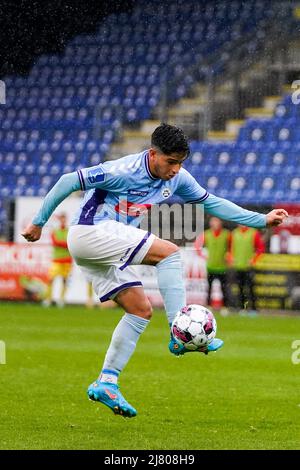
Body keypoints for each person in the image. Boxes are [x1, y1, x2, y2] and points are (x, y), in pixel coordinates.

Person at [22, 123, 288, 418]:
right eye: (170, 162)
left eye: (180, 163)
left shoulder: (177, 178)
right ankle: (179, 330)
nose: (175, 169)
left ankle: (107, 382)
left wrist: (261, 220)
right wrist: (38, 222)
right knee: (170, 254)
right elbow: (68, 180)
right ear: (153, 154)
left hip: (101, 246)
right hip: (90, 232)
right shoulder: (122, 170)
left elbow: (212, 203)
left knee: (140, 310)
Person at [194, 217, 231, 313]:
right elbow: (197, 246)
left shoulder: (226, 234)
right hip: (211, 266)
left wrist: (229, 255)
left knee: (224, 288)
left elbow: (231, 247)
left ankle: (225, 307)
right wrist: (203, 256)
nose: (215, 224)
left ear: (220, 223)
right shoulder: (207, 234)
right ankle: (208, 306)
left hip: (222, 266)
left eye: (216, 222)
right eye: (213, 222)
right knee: (209, 288)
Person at [229, 224, 265, 314]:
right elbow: (230, 249)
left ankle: (253, 308)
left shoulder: (253, 233)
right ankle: (242, 308)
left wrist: (254, 259)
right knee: (240, 288)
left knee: (251, 288)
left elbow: (261, 248)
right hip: (238, 266)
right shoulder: (234, 233)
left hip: (249, 267)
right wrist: (231, 258)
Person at [43, 213, 72, 307]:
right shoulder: (55, 231)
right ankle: (48, 299)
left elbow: (70, 243)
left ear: (66, 219)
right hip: (57, 259)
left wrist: (62, 244)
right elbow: (55, 242)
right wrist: (65, 245)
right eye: (61, 219)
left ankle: (61, 299)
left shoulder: (69, 231)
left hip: (67, 260)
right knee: (51, 279)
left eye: (64, 219)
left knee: (65, 280)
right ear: (59, 220)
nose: (63, 220)